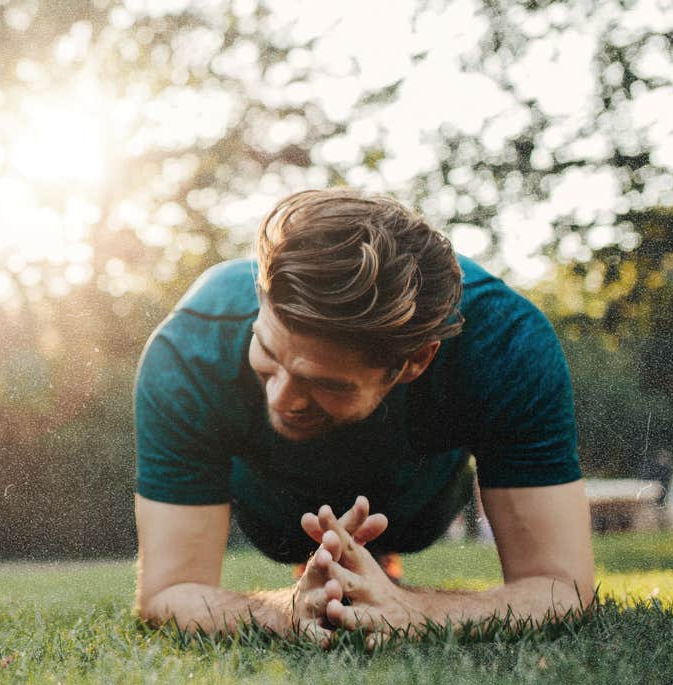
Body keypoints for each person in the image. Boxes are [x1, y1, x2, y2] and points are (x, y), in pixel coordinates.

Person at [133, 189, 594, 643]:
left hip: (416, 506)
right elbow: (167, 593)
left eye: (326, 382)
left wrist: (411, 610)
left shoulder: (507, 345)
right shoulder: (188, 351)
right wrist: (286, 612)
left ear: (417, 360)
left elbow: (563, 588)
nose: (281, 398)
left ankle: (377, 560)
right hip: (274, 513)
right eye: (267, 351)